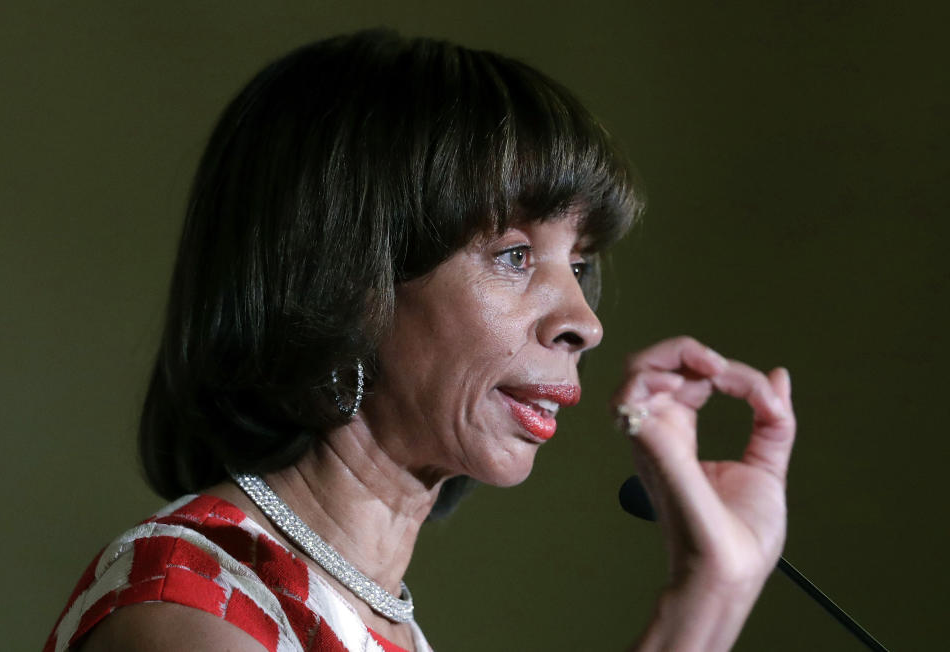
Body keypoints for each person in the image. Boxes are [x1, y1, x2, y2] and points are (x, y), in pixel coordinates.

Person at [45, 29, 796, 652]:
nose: (584, 322)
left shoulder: (370, 618)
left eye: (580, 262)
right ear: (344, 279)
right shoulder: (194, 611)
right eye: (513, 255)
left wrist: (717, 585)